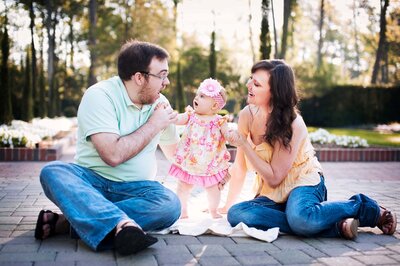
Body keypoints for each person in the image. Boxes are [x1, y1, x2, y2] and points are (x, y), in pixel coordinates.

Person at [35, 40, 182, 255]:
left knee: (170, 205)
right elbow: (112, 155)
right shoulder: (99, 95)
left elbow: (175, 155)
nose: (166, 82)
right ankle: (119, 224)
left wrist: (210, 161)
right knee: (53, 172)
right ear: (139, 77)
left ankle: (72, 222)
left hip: (137, 190)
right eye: (161, 75)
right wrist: (154, 124)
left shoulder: (160, 103)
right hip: (92, 183)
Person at [221, 59, 397, 240]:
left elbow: (274, 178)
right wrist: (227, 205)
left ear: (274, 92)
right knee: (236, 213)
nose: (248, 85)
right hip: (272, 194)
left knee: (300, 219)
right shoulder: (246, 115)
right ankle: (336, 225)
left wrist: (243, 144)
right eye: (251, 79)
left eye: (256, 84)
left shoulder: (292, 124)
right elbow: (240, 167)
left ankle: (366, 209)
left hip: (303, 183)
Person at [168, 78, 232, 219]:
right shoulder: (191, 116)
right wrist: (171, 117)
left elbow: (227, 134)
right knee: (183, 186)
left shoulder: (220, 121)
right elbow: (179, 119)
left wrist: (231, 135)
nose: (196, 97)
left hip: (210, 163)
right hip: (190, 161)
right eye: (197, 95)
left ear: (214, 106)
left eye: (202, 96)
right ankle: (183, 211)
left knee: (213, 188)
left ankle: (213, 210)